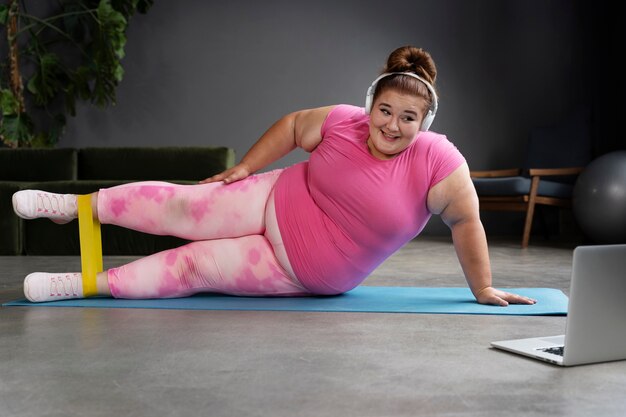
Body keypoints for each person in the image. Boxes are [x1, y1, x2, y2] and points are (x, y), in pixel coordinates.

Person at [12, 45, 536, 307]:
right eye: (386, 110)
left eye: (408, 118)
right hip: (275, 196)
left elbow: (467, 222)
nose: (392, 125)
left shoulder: (437, 161)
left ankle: (81, 285)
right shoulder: (342, 121)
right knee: (183, 206)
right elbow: (290, 127)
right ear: (370, 104)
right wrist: (245, 168)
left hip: (302, 267)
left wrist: (483, 286)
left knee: (194, 265)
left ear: (424, 123)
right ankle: (74, 207)